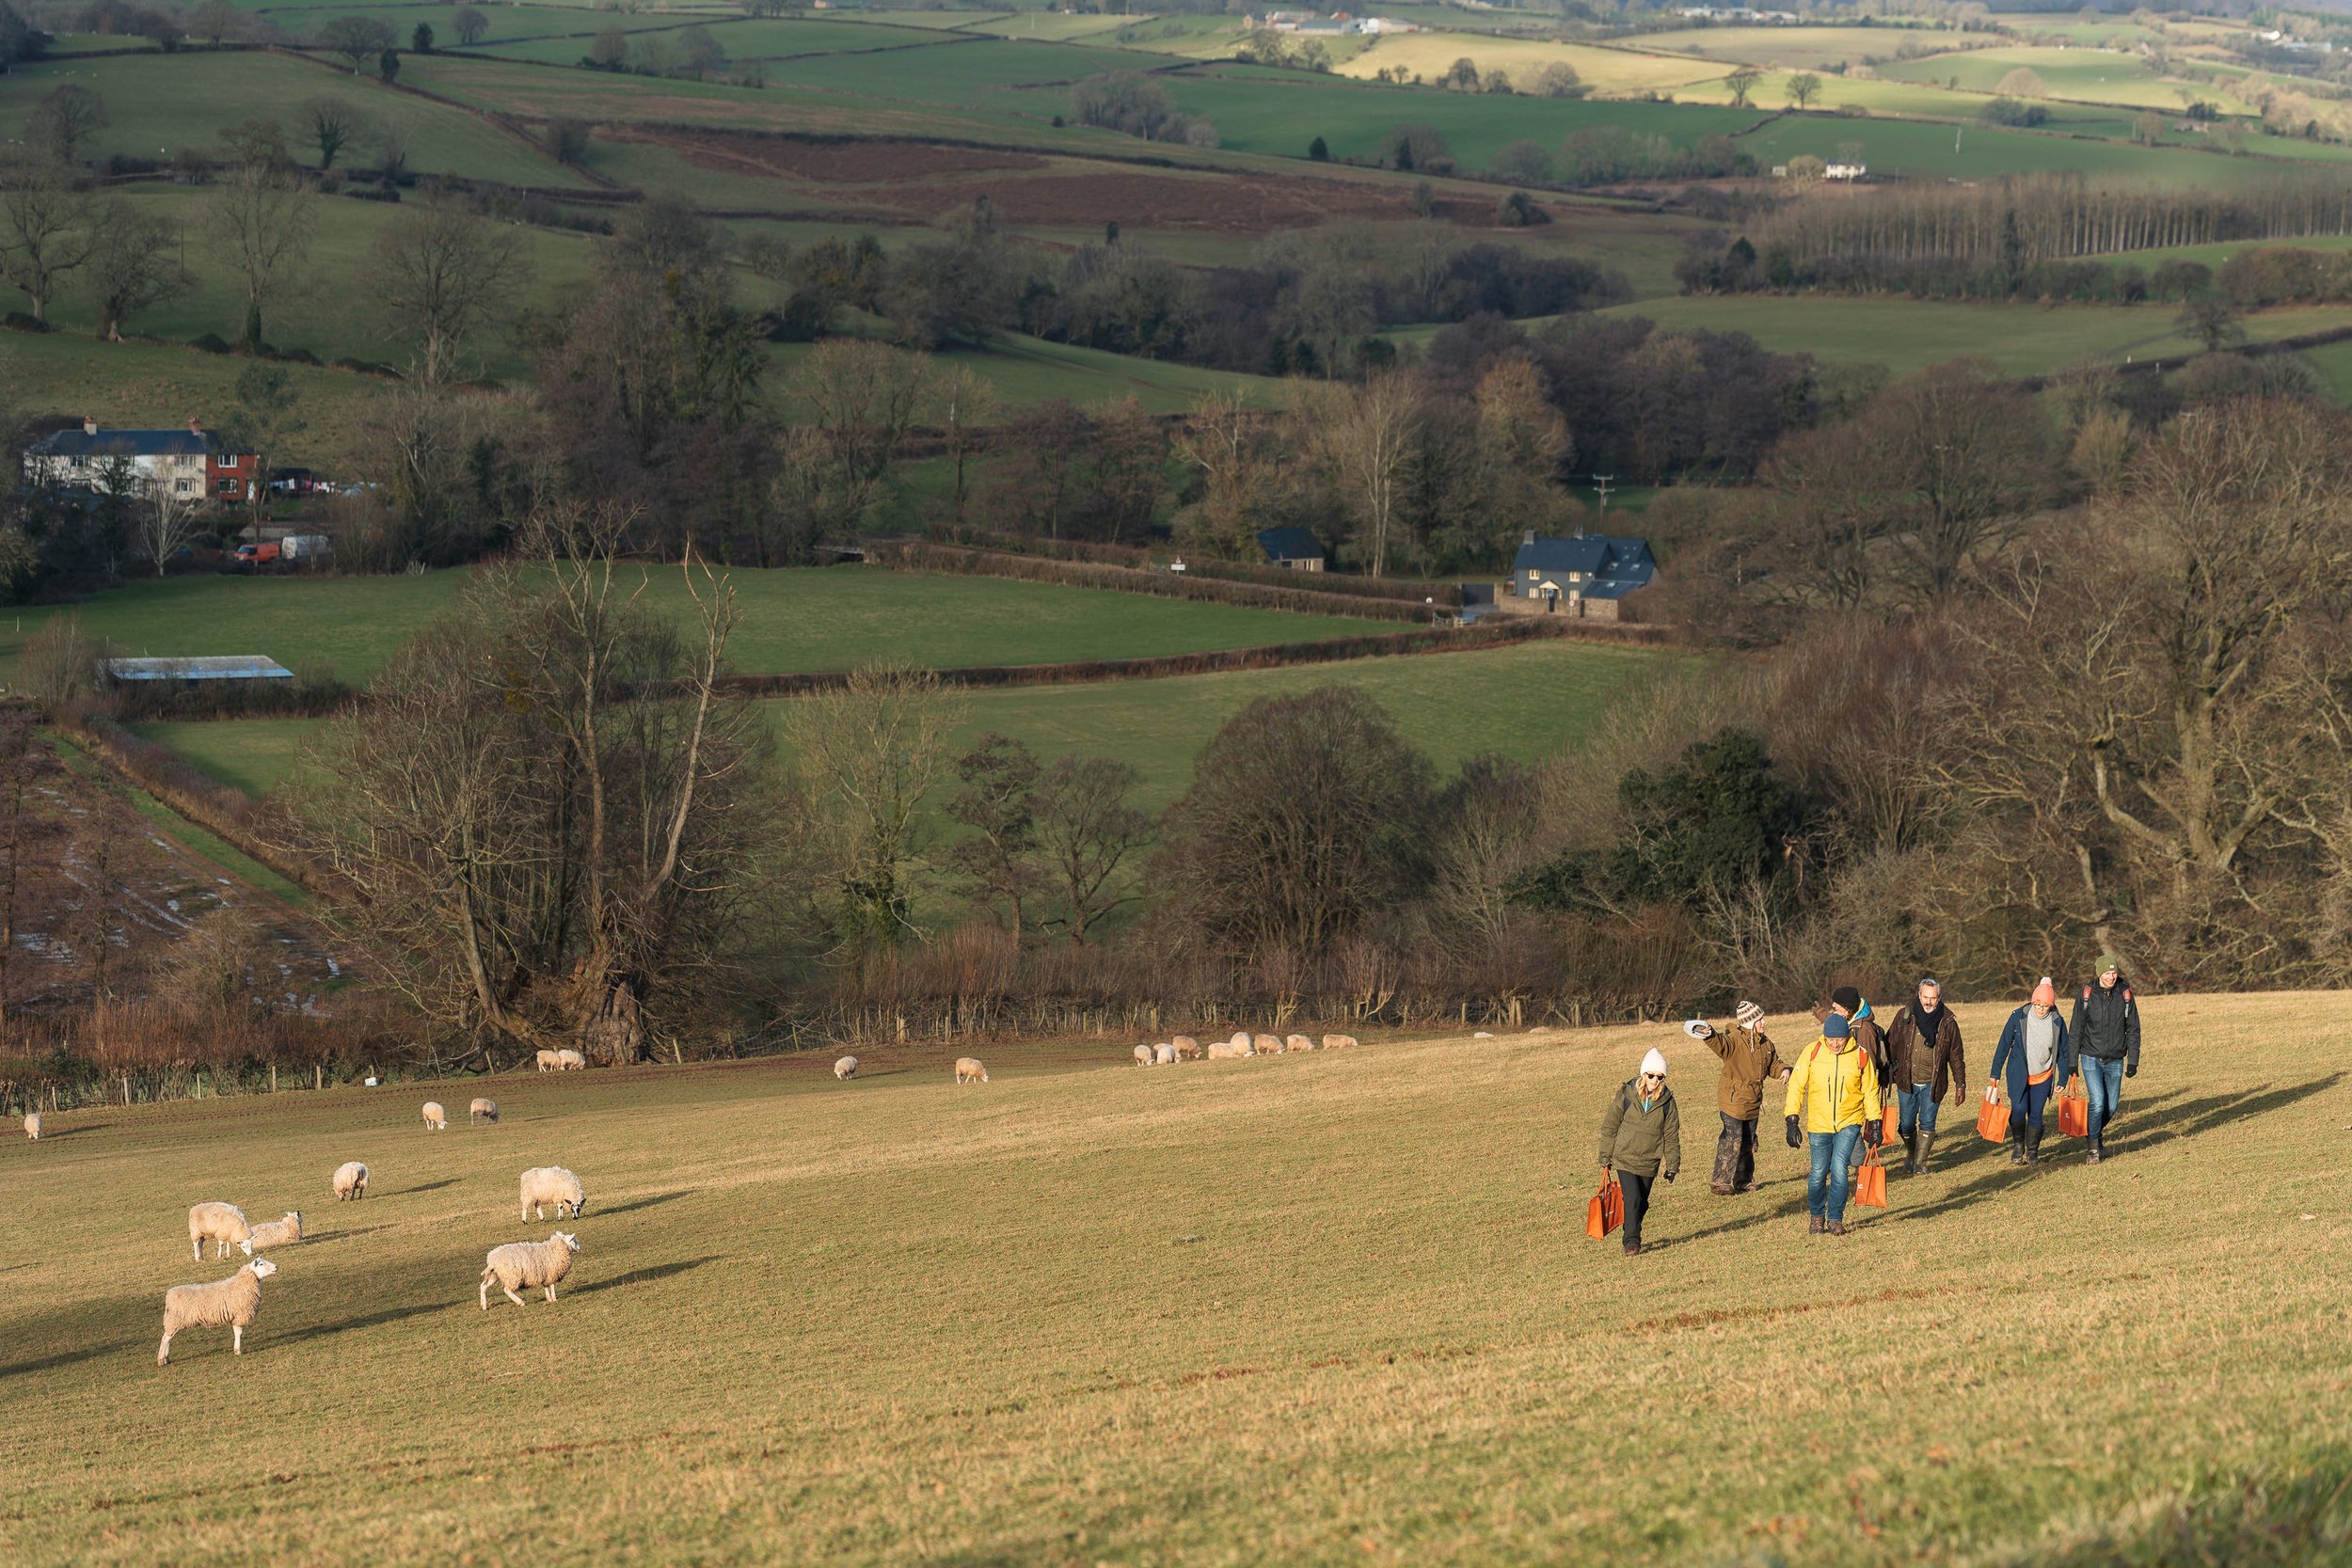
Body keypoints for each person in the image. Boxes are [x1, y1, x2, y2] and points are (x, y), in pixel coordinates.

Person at [1782, 1012, 1883, 1236]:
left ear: (1847, 1036)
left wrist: (1875, 1122)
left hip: (1849, 1122)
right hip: (1819, 1124)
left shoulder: (1860, 1055)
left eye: (1840, 1039)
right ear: (1824, 1037)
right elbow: (1797, 1085)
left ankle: (1835, 1218)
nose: (1835, 1044)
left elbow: (1870, 1091)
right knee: (1818, 1172)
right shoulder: (1812, 1052)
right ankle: (1817, 1217)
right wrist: (1792, 1119)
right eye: (1831, 1039)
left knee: (1839, 1171)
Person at [1686, 1001, 1788, 1195]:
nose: (1764, 1023)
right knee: (1732, 1138)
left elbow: (1773, 1064)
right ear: (1750, 1023)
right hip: (1731, 1101)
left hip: (1753, 1102)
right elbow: (1719, 1043)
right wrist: (1708, 1033)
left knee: (1748, 1142)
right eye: (1759, 1020)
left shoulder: (1766, 1044)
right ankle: (1720, 1182)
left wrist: (1784, 1070)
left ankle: (1743, 1180)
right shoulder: (1733, 1040)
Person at [1597, 1047, 1681, 1258]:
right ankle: (1632, 1242)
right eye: (1651, 1075)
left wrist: (1673, 1165)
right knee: (1633, 1199)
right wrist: (1605, 1157)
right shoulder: (1626, 1096)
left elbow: (1671, 1135)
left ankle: (1630, 1225)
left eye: (1660, 1076)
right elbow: (1610, 1126)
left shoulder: (1667, 1103)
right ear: (1643, 1073)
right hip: (1624, 1157)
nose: (1655, 1080)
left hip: (1649, 1161)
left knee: (1641, 1203)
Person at [1881, 977, 1966, 1175]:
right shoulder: (1904, 1016)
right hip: (1906, 1081)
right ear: (1919, 996)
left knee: (1928, 1122)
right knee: (1907, 1123)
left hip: (1933, 1083)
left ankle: (1920, 1164)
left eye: (1933, 998)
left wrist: (1960, 1085)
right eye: (1925, 997)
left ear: (1940, 998)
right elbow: (1890, 1044)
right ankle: (1911, 1153)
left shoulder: (1948, 1023)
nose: (1928, 1002)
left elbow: (1956, 1056)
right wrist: (1885, 1074)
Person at [1990, 976, 2073, 1166]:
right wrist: (1995, 1073)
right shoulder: (2018, 1016)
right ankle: (2018, 1146)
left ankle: (2033, 1153)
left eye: (2045, 1006)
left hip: (2043, 1076)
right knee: (2019, 1110)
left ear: (2051, 1006)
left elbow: (2063, 1051)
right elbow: (2003, 1044)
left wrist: (2063, 1078)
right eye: (2037, 1004)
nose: (2041, 1009)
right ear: (2033, 1001)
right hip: (2018, 1073)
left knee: (2036, 1114)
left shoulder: (2058, 1022)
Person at [2069, 955, 2141, 1164]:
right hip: (2090, 1057)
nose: (2111, 977)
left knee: (2111, 1107)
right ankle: (2092, 1148)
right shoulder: (2086, 994)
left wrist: (2133, 1061)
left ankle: (2095, 1134)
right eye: (2107, 973)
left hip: (2116, 1059)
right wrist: (2072, 1063)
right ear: (2099, 973)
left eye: (2114, 972)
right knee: (2098, 1103)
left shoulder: (2125, 994)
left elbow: (2134, 1029)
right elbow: (2076, 1030)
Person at [1830, 984, 1891, 1091]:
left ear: (1846, 1008)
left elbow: (1868, 1064)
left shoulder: (1865, 1030)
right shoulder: (1850, 1020)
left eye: (1837, 1003)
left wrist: (1863, 1091)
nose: (1833, 1005)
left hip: (1859, 1088)